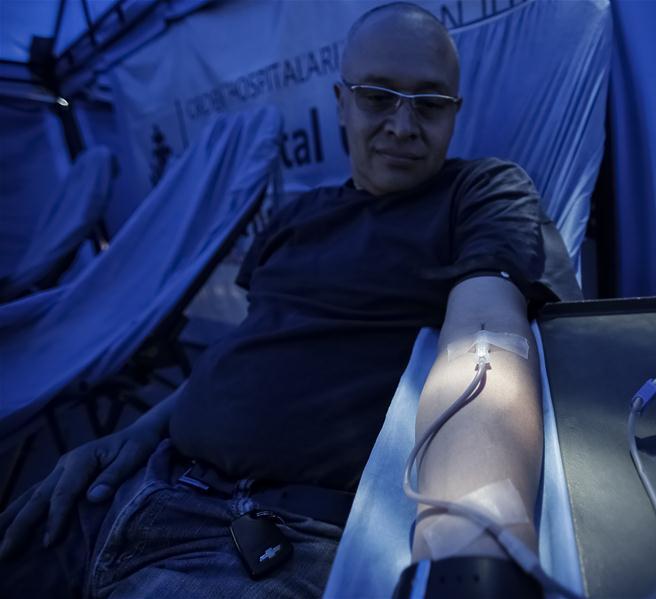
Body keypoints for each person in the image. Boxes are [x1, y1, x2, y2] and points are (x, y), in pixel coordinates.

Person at [0, 3, 558, 597]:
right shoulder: (296, 217)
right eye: (377, 96)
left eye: (429, 103)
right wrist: (131, 437)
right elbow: (246, 350)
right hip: (133, 484)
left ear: (455, 112)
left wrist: (471, 551)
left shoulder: (477, 192)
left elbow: (486, 331)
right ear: (340, 101)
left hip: (259, 541)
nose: (401, 125)